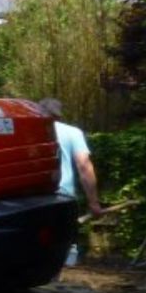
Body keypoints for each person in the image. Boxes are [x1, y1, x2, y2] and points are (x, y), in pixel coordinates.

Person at [39, 98, 103, 265]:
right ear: (59, 116)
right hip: (63, 198)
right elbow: (84, 166)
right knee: (64, 247)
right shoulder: (73, 133)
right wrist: (94, 202)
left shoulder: (26, 133)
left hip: (33, 199)